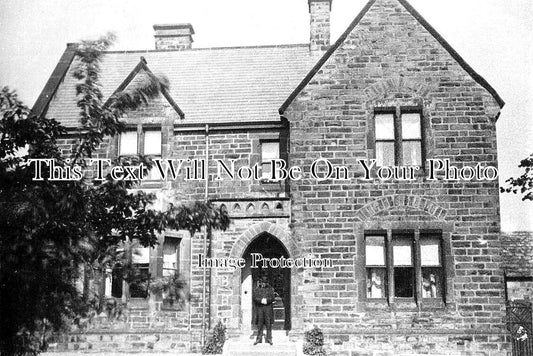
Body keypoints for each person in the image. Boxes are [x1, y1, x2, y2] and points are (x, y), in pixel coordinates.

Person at [253, 276, 275, 345]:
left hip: (268, 308)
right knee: (260, 324)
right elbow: (255, 298)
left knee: (268, 324)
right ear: (260, 282)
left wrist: (267, 300)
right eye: (262, 282)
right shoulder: (257, 289)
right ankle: (259, 338)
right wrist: (261, 300)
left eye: (265, 282)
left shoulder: (270, 289)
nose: (263, 284)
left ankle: (269, 338)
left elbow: (272, 298)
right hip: (260, 308)